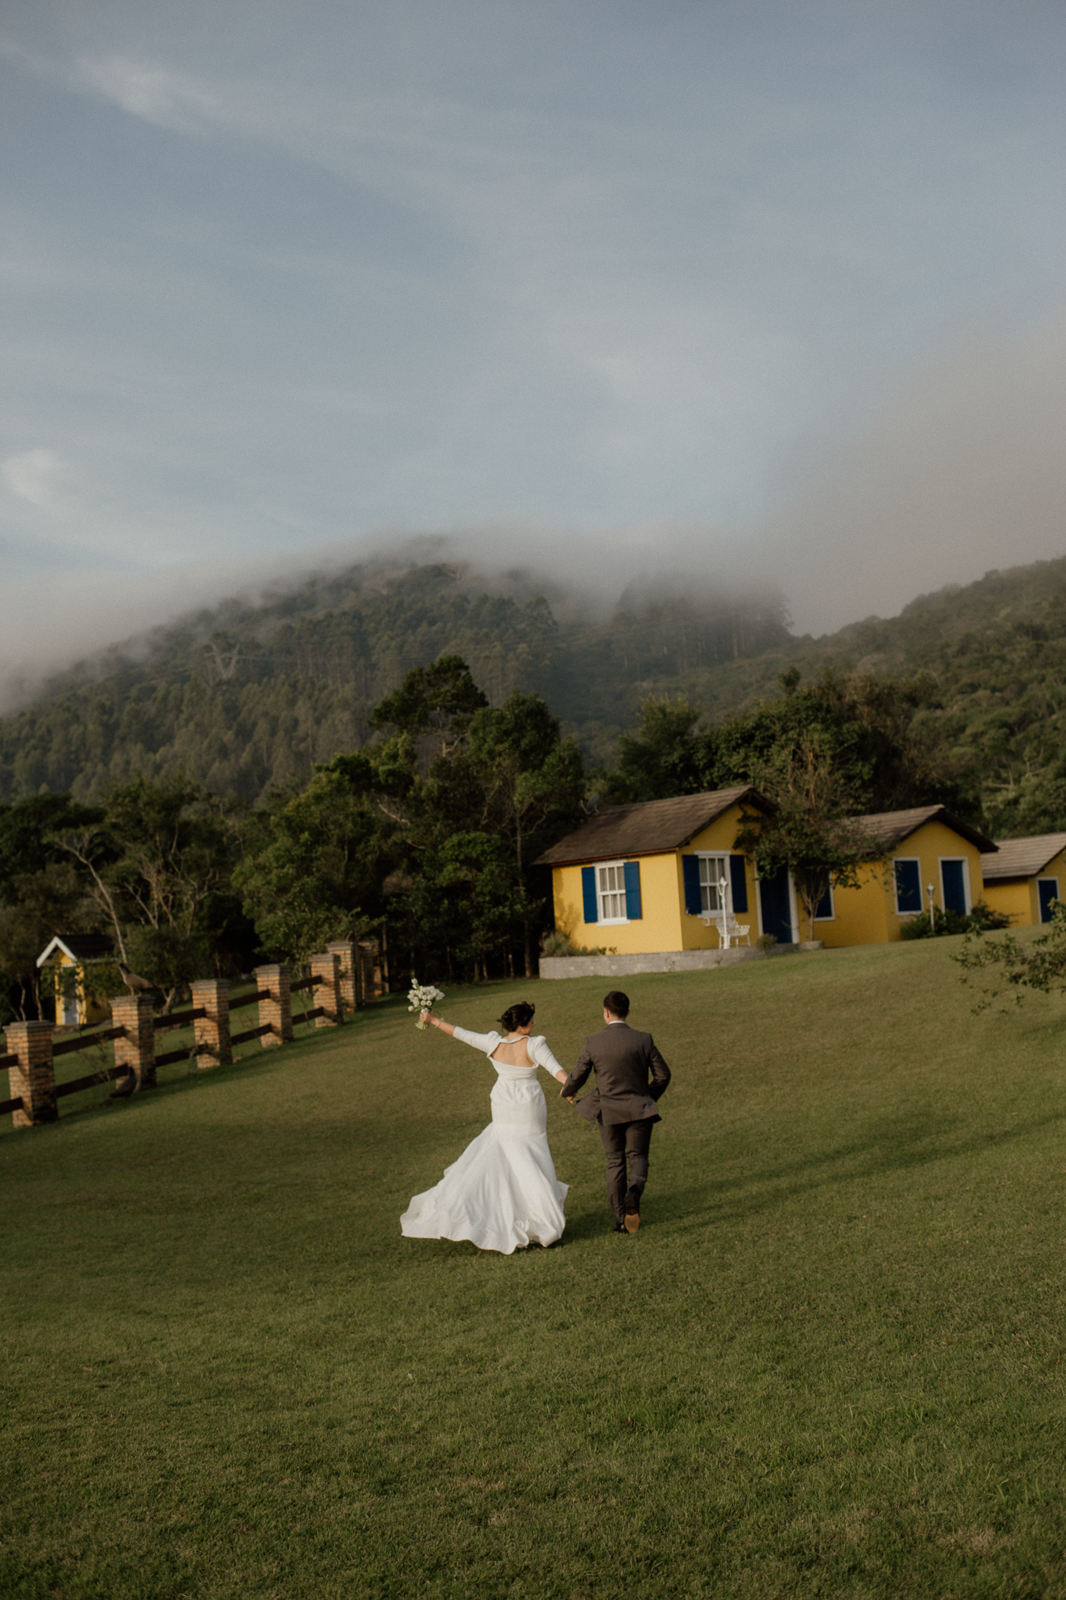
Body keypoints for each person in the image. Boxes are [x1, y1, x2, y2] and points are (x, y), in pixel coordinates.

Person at [401, 1001, 570, 1254]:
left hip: (503, 1106)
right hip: (528, 1109)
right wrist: (570, 1087)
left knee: (509, 1158)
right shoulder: (535, 1044)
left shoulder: (493, 1043)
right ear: (522, 1026)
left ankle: (511, 1213)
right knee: (532, 1158)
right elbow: (557, 1070)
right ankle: (542, 1218)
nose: (534, 1025)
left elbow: (461, 1034)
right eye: (531, 1022)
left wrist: (434, 1021)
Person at [559, 990, 670, 1235]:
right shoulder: (643, 1039)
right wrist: (647, 1097)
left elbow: (579, 1072)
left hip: (608, 1112)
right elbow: (663, 1075)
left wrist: (568, 1090)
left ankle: (621, 1219)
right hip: (640, 1110)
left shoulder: (594, 1042)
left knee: (614, 1162)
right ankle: (634, 1191)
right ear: (628, 1012)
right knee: (638, 1157)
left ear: (606, 1013)